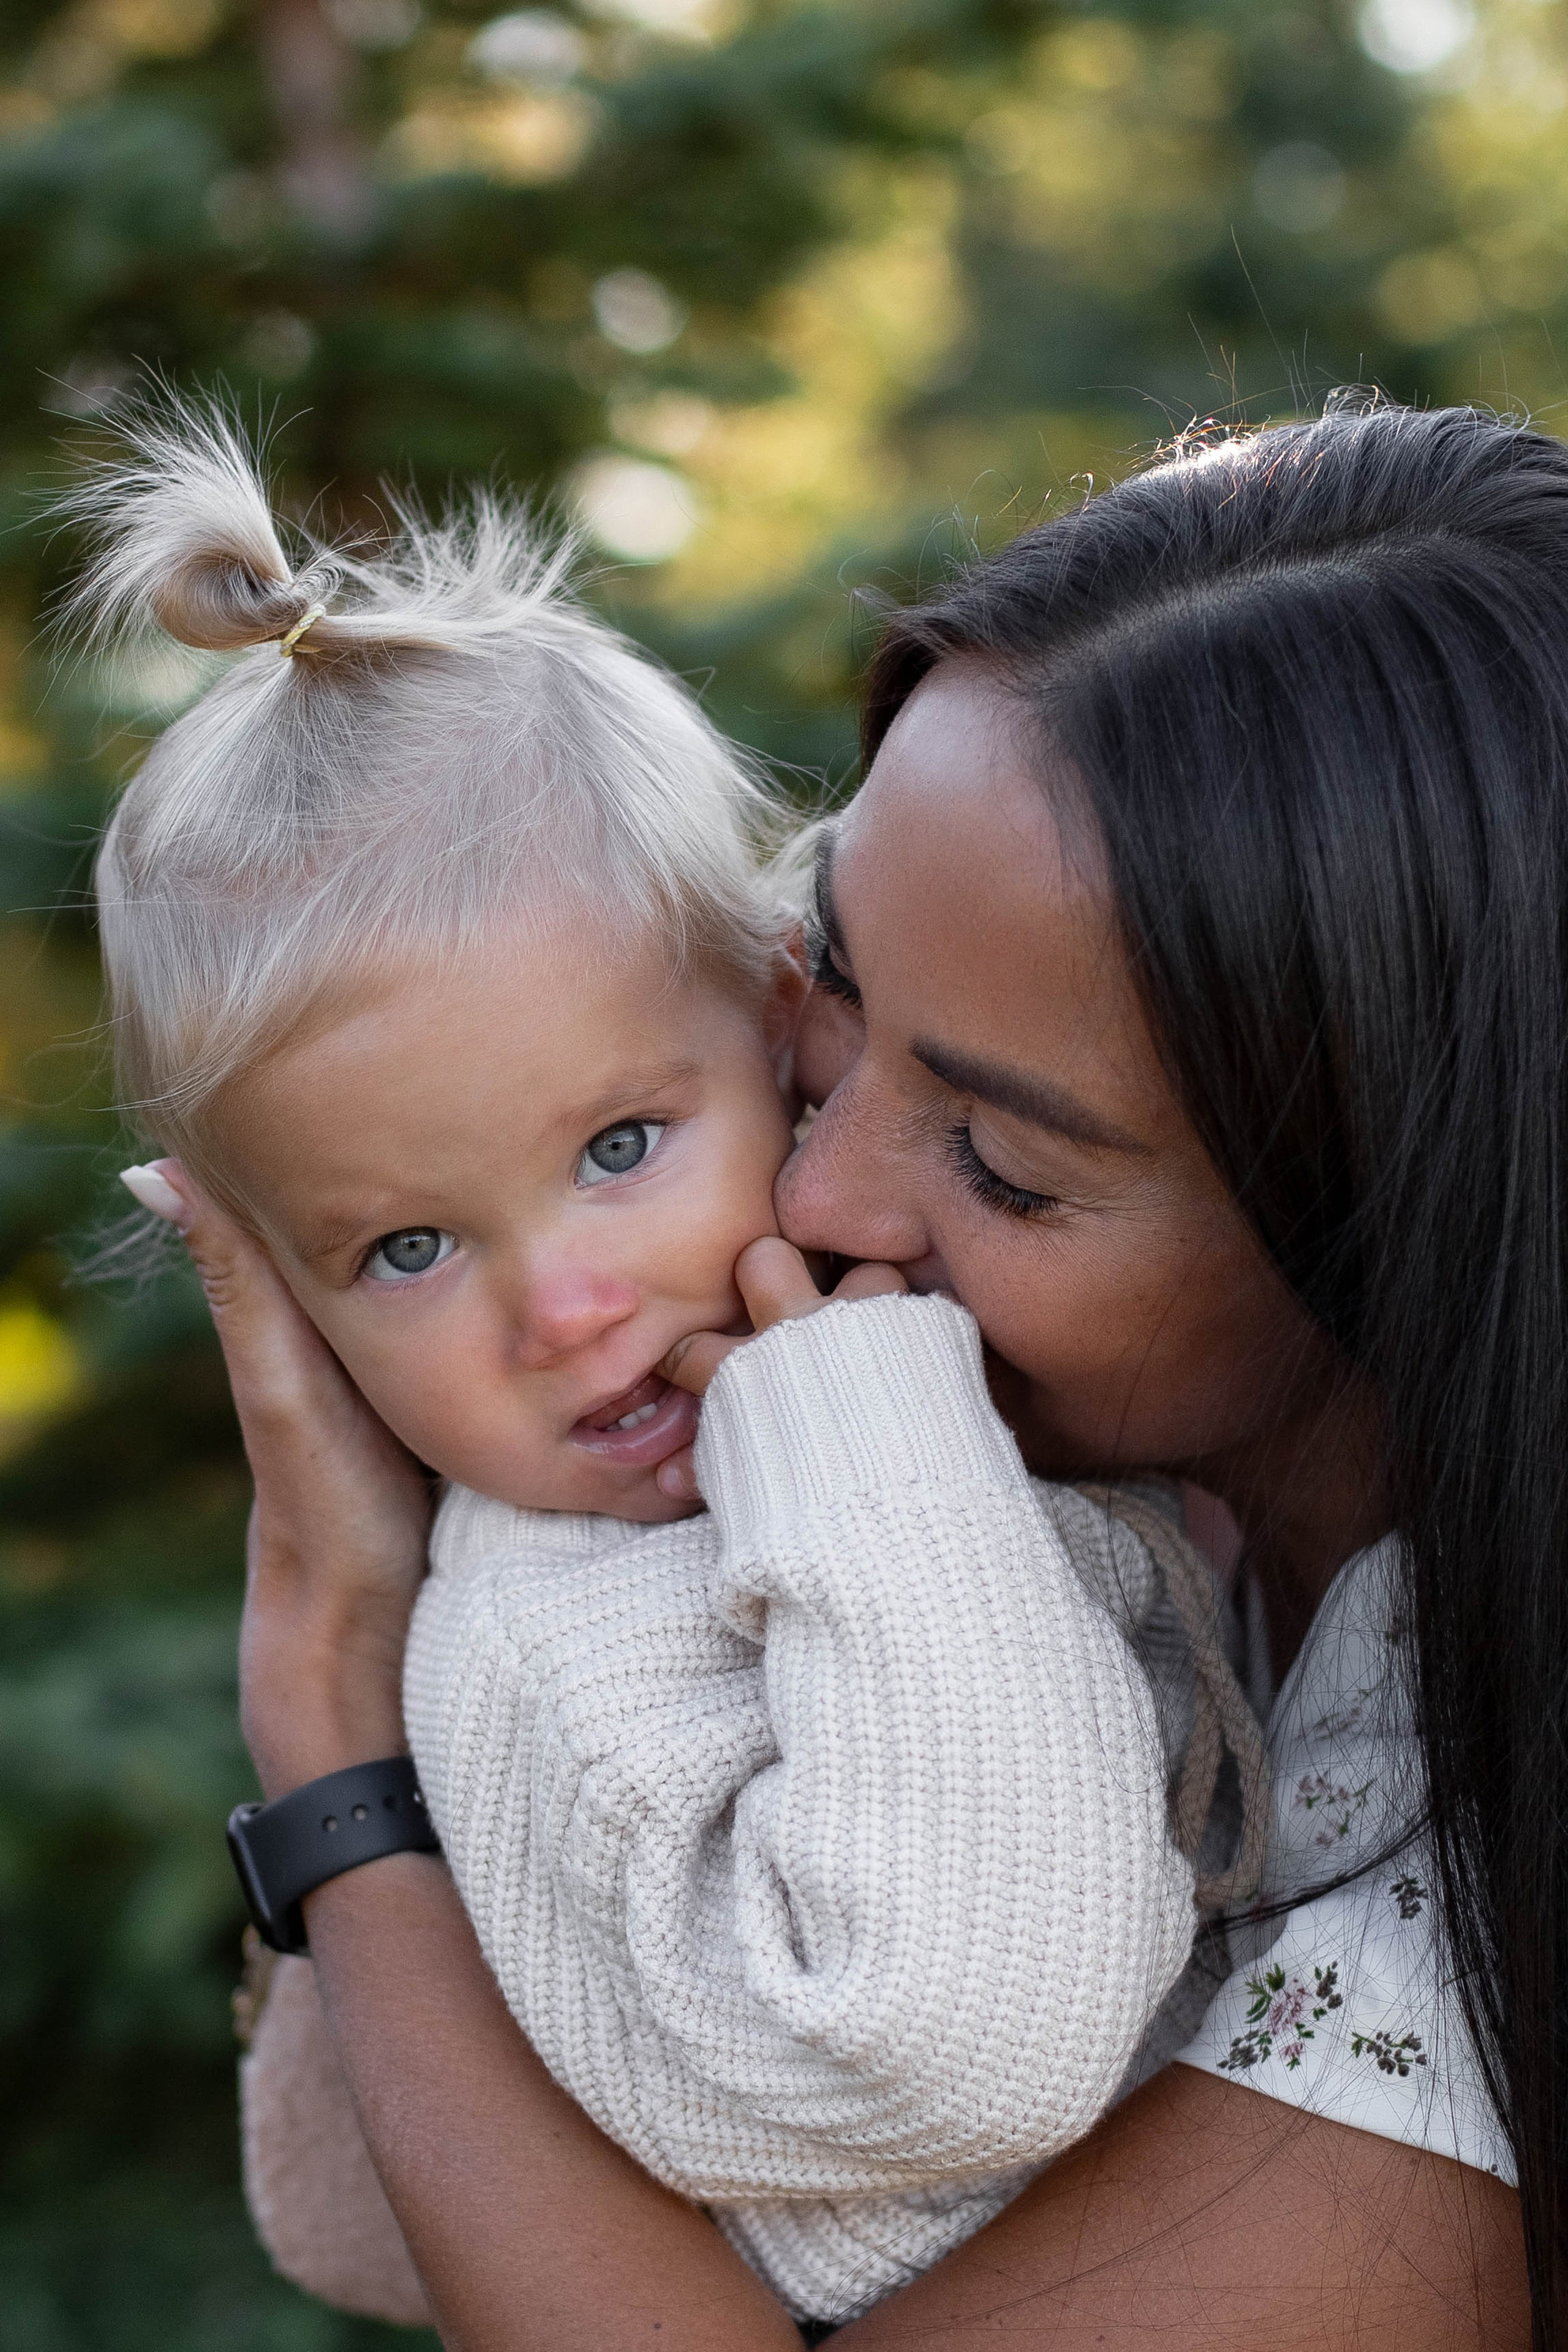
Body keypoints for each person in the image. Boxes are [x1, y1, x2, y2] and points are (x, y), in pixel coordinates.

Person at [127, 398, 1544, 2346]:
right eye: (836, 988)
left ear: (1405, 1217)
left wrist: (328, 1732)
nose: (813, 1185)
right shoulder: (763, 1446)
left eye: (1003, 1164)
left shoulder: (1472, 1900)